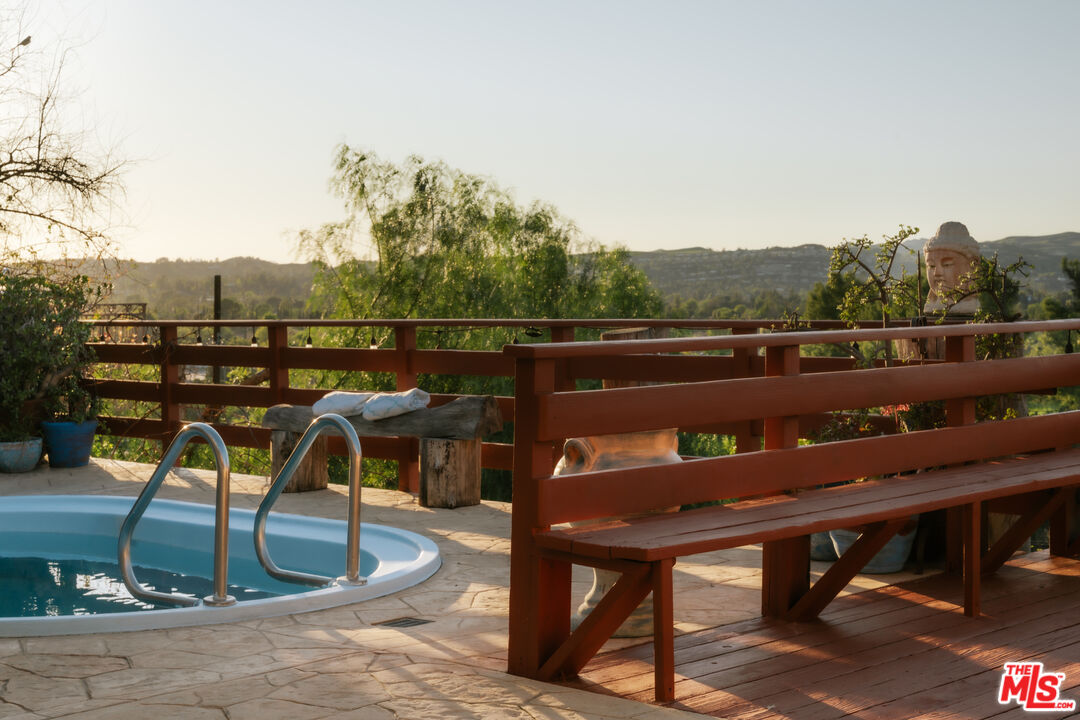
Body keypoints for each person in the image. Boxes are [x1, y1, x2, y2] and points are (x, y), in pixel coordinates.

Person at [923, 221, 980, 315]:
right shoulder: (932, 306)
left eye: (947, 265)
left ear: (972, 267)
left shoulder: (969, 306)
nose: (937, 273)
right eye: (931, 266)